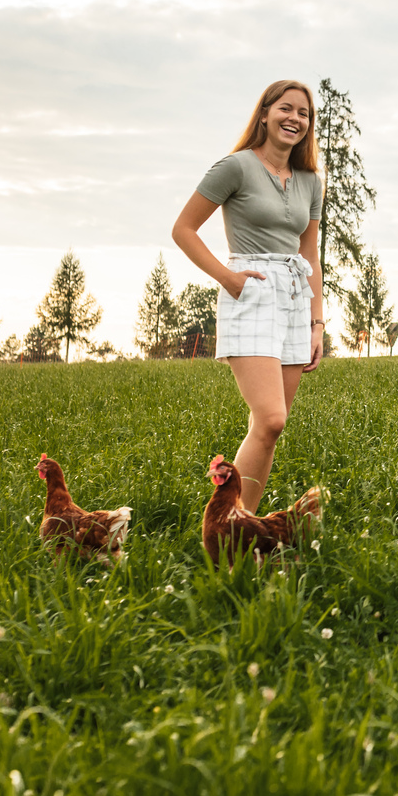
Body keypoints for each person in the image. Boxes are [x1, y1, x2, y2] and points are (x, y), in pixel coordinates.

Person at [171, 79, 326, 515]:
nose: (295, 118)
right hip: (253, 290)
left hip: (296, 294)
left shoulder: (311, 181)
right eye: (286, 108)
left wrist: (317, 322)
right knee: (272, 417)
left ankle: (241, 528)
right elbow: (183, 229)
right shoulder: (235, 167)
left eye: (304, 114)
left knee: (269, 428)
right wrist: (229, 278)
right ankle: (225, 522)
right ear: (264, 114)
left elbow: (309, 252)